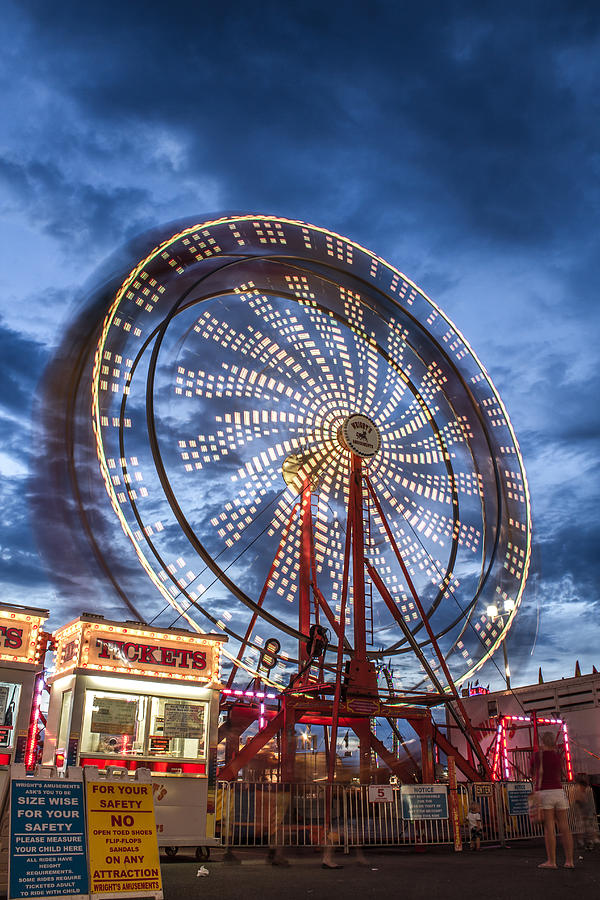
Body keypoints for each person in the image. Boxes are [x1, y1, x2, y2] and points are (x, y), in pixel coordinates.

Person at [531, 731, 574, 869]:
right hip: (559, 792)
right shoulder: (557, 757)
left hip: (545, 792)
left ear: (543, 742)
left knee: (549, 828)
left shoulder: (538, 756)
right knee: (565, 827)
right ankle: (569, 861)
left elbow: (532, 772)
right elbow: (559, 772)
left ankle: (552, 861)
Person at [573, 774, 600, 852]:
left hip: (586, 814)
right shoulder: (589, 790)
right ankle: (592, 842)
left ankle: (590, 843)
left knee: (587, 829)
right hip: (588, 813)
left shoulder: (585, 791)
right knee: (589, 829)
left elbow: (582, 801)